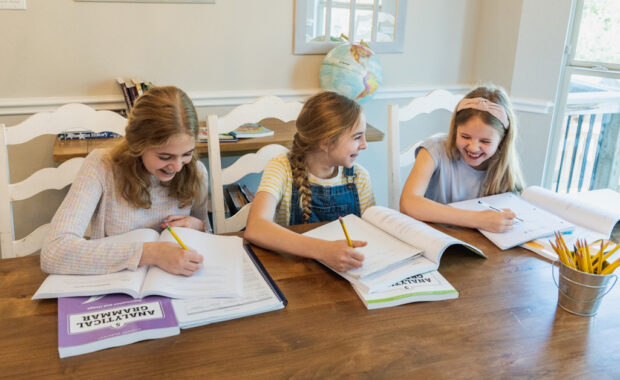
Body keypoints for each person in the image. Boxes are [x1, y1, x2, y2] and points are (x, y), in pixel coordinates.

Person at [41, 86, 209, 276]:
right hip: (114, 287)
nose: (177, 167)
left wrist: (200, 227)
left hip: (175, 286)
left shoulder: (196, 172)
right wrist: (151, 253)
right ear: (137, 144)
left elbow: (209, 237)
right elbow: (53, 252)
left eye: (187, 154)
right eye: (164, 157)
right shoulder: (101, 167)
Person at [244, 91, 375, 272]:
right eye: (357, 137)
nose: (364, 144)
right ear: (326, 142)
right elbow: (255, 228)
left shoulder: (359, 177)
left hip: (345, 271)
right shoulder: (282, 168)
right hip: (294, 272)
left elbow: (372, 233)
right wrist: (323, 250)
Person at [400, 85, 525, 233]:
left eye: (485, 141)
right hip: (435, 239)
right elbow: (408, 203)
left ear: (502, 142)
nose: (473, 147)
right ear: (455, 130)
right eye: (465, 137)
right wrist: (478, 219)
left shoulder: (504, 168)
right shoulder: (434, 149)